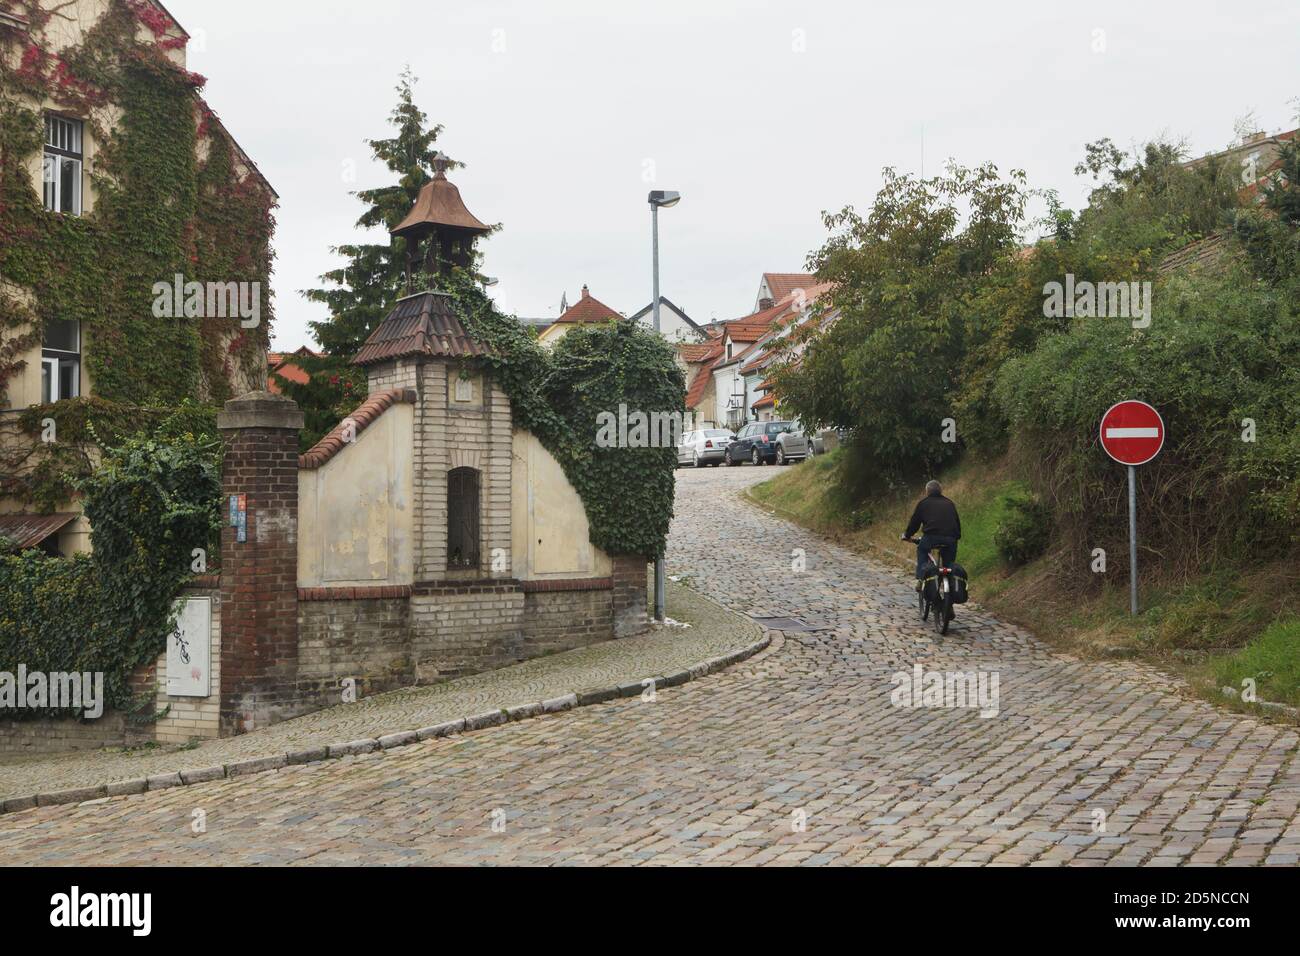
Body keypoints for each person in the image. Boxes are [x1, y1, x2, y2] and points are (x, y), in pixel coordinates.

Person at [902, 480, 961, 583]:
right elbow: (957, 523)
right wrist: (955, 537)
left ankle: (921, 578)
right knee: (949, 564)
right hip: (951, 538)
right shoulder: (950, 503)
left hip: (931, 537)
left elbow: (914, 523)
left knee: (922, 550)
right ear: (941, 491)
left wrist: (907, 535)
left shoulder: (923, 503)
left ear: (927, 491)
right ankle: (950, 588)